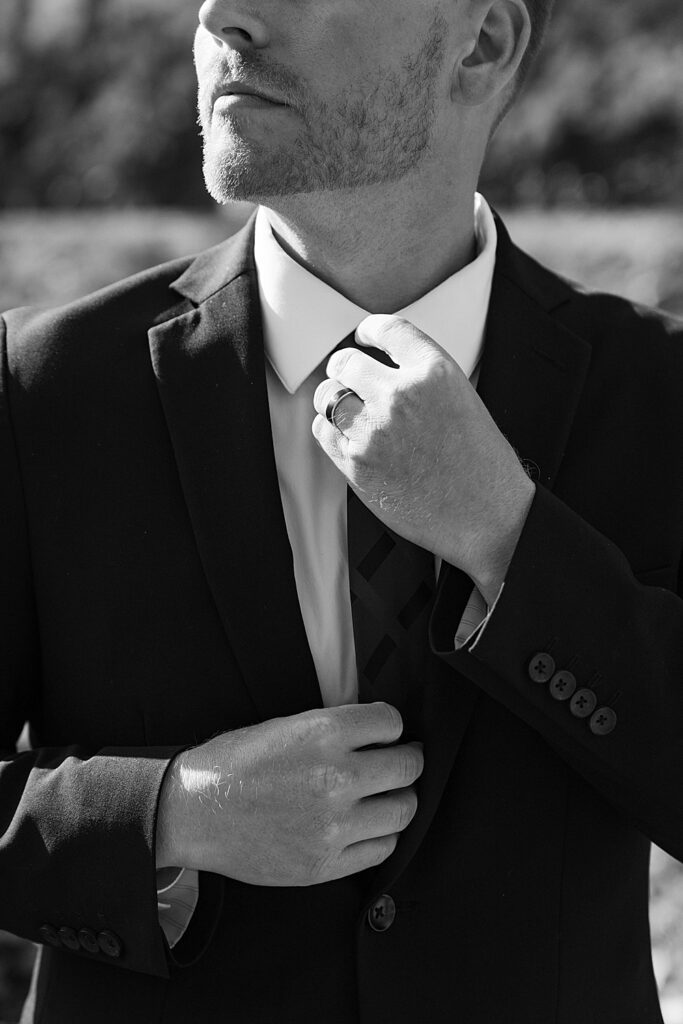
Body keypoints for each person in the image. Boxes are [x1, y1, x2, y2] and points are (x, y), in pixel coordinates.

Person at [1, 0, 682, 1020]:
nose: (222, 15)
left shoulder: (660, 395)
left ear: (482, 43)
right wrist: (172, 815)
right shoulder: (42, 394)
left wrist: (509, 538)